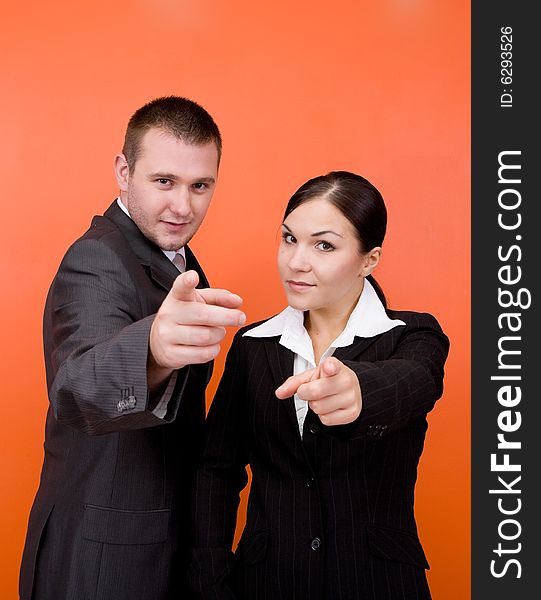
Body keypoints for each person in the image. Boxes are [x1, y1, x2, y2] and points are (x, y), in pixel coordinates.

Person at [19, 96, 246, 600]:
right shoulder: (95, 259)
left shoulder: (173, 257)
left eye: (200, 186)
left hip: (154, 550)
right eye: (164, 182)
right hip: (102, 564)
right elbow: (77, 389)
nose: (182, 206)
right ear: (124, 171)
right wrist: (152, 351)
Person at [189, 171, 450, 599]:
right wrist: (210, 584)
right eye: (290, 239)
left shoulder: (412, 335)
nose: (296, 262)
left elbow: (416, 381)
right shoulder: (253, 347)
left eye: (324, 245)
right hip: (267, 583)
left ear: (370, 260)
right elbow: (216, 472)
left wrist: (361, 389)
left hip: (377, 584)